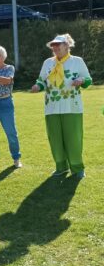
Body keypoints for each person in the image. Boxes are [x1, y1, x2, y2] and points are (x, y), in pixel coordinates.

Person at [31, 33, 92, 178]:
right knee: (55, 138)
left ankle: (77, 168)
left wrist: (81, 80)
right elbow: (42, 80)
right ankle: (61, 167)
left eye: (58, 44)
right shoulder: (47, 63)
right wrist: (37, 86)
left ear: (67, 46)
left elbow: (88, 80)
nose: (55, 47)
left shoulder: (77, 61)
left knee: (73, 137)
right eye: (53, 45)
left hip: (72, 106)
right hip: (51, 107)